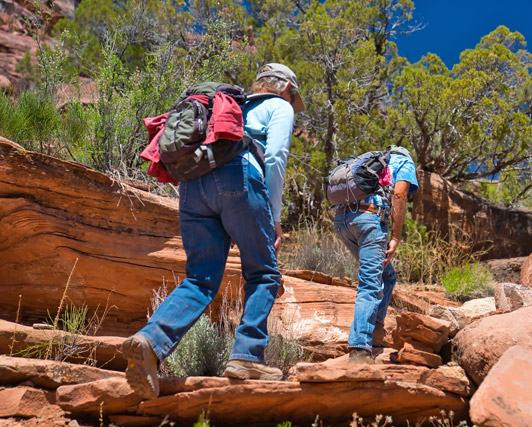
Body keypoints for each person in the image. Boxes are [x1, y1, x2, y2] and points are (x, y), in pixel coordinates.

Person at [122, 63, 305, 399]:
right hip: (239, 178)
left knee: (200, 279)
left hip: (193, 186)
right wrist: (272, 215)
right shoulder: (278, 106)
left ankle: (149, 341)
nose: (294, 105)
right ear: (286, 89)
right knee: (264, 273)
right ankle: (247, 357)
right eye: (295, 98)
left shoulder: (229, 106)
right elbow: (276, 157)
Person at [333, 146, 419, 364]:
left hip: (342, 221)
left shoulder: (368, 160)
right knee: (371, 283)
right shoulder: (405, 162)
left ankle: (376, 330)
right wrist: (396, 237)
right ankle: (360, 349)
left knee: (386, 275)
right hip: (369, 219)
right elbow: (399, 194)